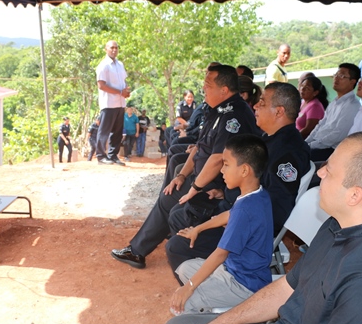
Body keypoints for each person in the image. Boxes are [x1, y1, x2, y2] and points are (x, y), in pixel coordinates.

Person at [161, 132, 362, 324]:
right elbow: (288, 287)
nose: (319, 172)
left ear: (355, 195)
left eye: (329, 170)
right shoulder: (339, 225)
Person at [110, 64, 259, 269]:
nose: (203, 89)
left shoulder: (234, 115)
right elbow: (200, 148)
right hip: (204, 177)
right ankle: (139, 250)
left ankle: (139, 252)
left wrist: (194, 188)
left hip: (220, 186)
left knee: (170, 201)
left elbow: (217, 159)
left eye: (208, 85)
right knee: (172, 189)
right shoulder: (219, 110)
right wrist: (181, 176)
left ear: (224, 90)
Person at [166, 82, 311, 273]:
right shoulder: (270, 139)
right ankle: (203, 277)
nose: (255, 106)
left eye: (262, 103)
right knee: (179, 214)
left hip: (245, 229)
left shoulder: (287, 152)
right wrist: (225, 192)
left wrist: (234, 218)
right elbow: (256, 184)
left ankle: (215, 285)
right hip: (236, 209)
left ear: (279, 111)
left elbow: (276, 210)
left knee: (176, 247)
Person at [170, 135, 272, 315]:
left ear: (244, 170)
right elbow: (229, 214)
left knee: (184, 303)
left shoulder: (245, 210)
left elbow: (220, 254)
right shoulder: (257, 194)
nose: (222, 170)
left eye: (226, 164)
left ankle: (203, 322)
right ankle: (206, 303)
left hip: (243, 285)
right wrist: (198, 229)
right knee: (185, 268)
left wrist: (189, 287)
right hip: (233, 270)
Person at [305, 63, 361, 161]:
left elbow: (337, 135)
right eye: (336, 75)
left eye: (342, 76)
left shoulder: (352, 105)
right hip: (317, 145)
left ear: (352, 82)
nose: (336, 78)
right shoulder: (334, 102)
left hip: (330, 150)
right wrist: (306, 142)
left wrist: (310, 146)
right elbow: (320, 125)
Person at [95, 40, 131, 166]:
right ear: (106, 49)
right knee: (104, 131)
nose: (114, 50)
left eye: (116, 47)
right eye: (112, 48)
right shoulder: (103, 65)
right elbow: (101, 85)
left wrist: (126, 90)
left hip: (120, 103)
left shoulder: (120, 64)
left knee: (117, 132)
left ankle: (113, 155)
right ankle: (101, 156)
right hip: (108, 103)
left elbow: (124, 81)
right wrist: (120, 92)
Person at [295, 73, 328, 139]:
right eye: (302, 86)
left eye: (307, 88)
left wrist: (293, 139)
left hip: (304, 141)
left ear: (315, 93)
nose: (302, 89)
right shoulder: (303, 102)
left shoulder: (315, 106)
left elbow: (308, 130)